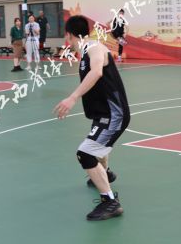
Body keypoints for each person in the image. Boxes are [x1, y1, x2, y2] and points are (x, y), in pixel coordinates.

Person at [54, 15, 129, 221]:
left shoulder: (94, 48)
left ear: (69, 35)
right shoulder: (87, 49)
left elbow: (96, 72)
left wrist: (72, 97)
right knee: (96, 147)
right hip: (104, 114)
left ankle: (110, 202)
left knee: (85, 154)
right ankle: (106, 173)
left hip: (114, 115)